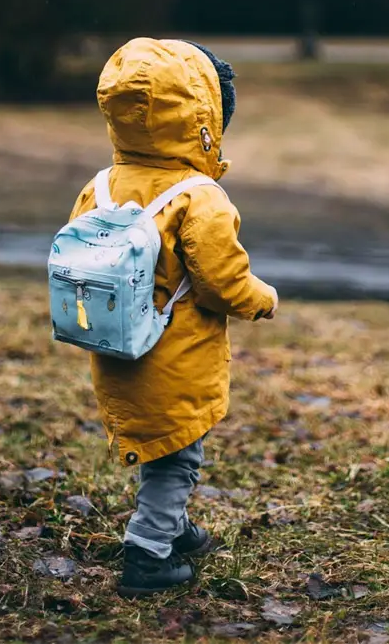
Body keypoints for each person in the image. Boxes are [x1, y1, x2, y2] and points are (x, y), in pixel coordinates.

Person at [69, 38, 278, 596]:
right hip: (175, 354)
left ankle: (174, 527)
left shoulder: (102, 187)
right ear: (203, 120)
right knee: (178, 456)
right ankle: (148, 553)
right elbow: (222, 281)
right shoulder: (199, 197)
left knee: (163, 446)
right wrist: (262, 298)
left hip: (117, 349)